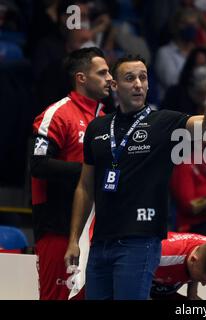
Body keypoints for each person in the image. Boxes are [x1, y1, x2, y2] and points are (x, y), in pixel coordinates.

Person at [64, 47, 206, 300]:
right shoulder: (97, 128)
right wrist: (74, 239)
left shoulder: (164, 122)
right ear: (115, 85)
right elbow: (85, 186)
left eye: (143, 77)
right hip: (100, 243)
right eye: (130, 78)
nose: (138, 84)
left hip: (139, 242)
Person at [30, 47, 112, 300]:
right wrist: (88, 170)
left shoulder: (106, 119)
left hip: (94, 231)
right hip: (58, 227)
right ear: (81, 78)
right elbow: (38, 165)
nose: (110, 78)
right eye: (102, 72)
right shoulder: (57, 114)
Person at [151, 232, 206, 300]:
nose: (203, 284)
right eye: (203, 279)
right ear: (193, 259)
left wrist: (192, 293)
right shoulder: (160, 256)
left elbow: (201, 262)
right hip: (144, 278)